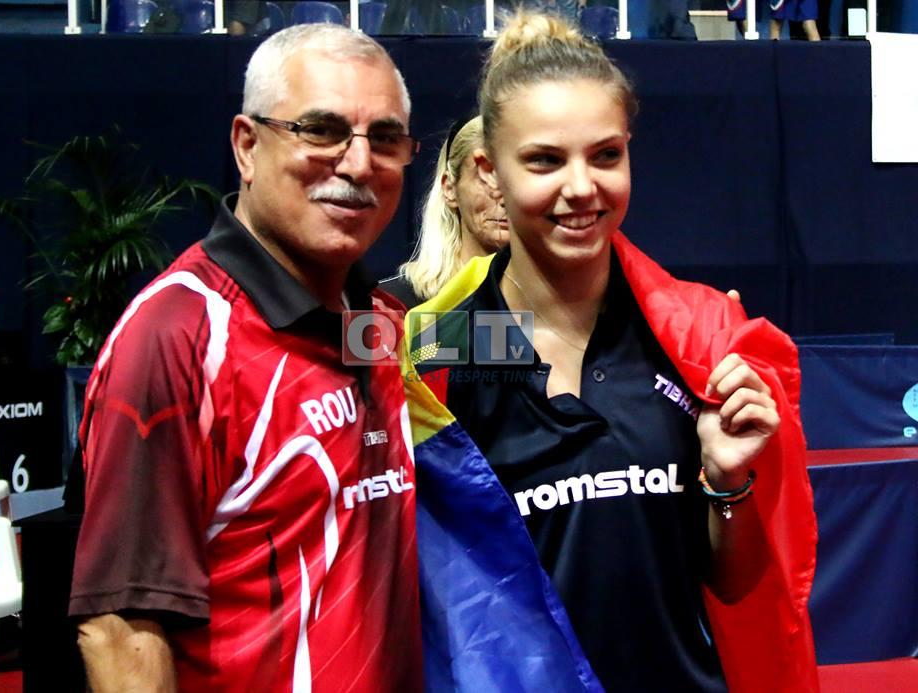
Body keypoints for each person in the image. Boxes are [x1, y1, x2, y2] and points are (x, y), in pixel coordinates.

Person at [403, 10, 818, 692]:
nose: (581, 187)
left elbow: (737, 583)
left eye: (605, 155)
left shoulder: (697, 337)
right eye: (544, 160)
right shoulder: (439, 347)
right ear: (488, 171)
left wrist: (728, 479)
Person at [69, 23, 424, 692]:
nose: (357, 164)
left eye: (384, 139)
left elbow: (524, 345)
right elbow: (119, 629)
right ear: (247, 145)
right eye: (320, 130)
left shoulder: (376, 321)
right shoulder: (174, 335)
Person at [381, 116, 509, 308]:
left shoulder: (554, 308)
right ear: (450, 188)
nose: (505, 198)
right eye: (487, 177)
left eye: (515, 181)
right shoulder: (386, 306)